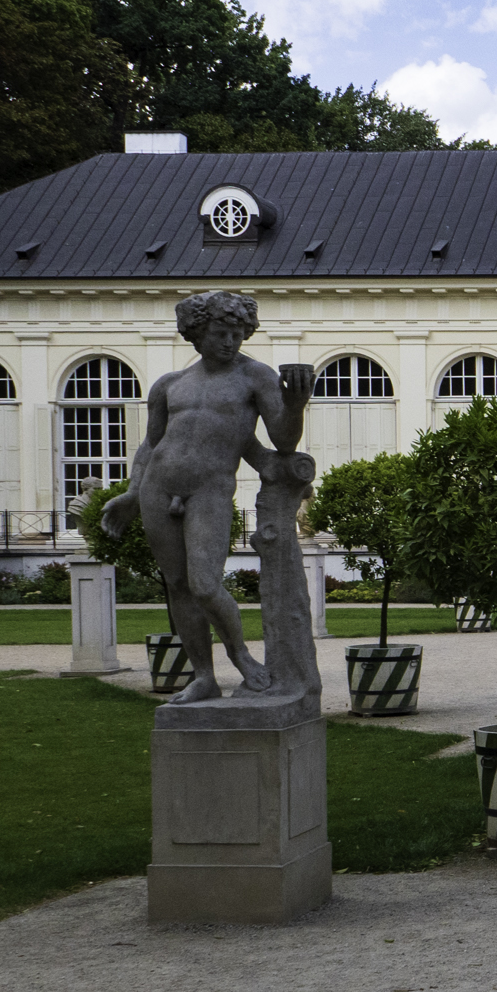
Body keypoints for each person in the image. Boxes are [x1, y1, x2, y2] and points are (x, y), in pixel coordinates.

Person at [103, 290, 311, 703]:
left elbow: (283, 441)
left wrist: (296, 403)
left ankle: (240, 655)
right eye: (220, 332)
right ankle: (204, 676)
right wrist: (131, 492)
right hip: (157, 489)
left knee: (204, 584)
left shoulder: (256, 377)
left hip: (210, 490)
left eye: (237, 333)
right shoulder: (170, 384)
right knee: (178, 585)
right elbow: (150, 444)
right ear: (197, 333)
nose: (230, 341)